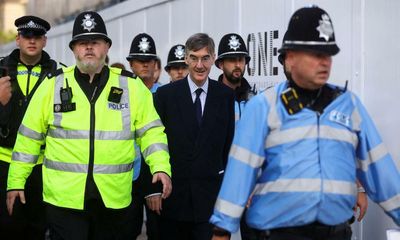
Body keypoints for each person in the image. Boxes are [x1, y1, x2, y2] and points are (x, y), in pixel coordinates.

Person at [210, 5, 400, 240]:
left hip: (336, 233)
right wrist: (221, 230)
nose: (325, 63)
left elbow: (381, 170)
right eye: (316, 54)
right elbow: (239, 173)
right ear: (290, 57)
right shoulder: (264, 106)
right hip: (278, 234)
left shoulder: (348, 105)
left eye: (328, 54)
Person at [6, 11, 172, 240]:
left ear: (107, 47)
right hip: (64, 201)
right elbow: (29, 138)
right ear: (73, 49)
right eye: (83, 43)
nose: (89, 48)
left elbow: (152, 132)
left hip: (113, 200)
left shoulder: (131, 87)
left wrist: (161, 167)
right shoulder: (52, 85)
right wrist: (15, 182)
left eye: (95, 42)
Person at [154, 33, 235, 240]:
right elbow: (154, 144)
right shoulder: (166, 96)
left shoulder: (225, 96)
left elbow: (228, 148)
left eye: (205, 58)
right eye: (194, 58)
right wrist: (152, 190)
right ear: (186, 59)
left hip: (209, 201)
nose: (200, 65)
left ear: (214, 59)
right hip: (172, 200)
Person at [0, 15, 56, 240]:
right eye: (26, 35)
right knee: (7, 226)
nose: (31, 40)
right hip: (5, 161)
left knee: (38, 227)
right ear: (17, 39)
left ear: (44, 41)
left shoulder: (57, 74)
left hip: (42, 165)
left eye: (37, 36)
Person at [215, 33, 266, 240]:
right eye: (231, 59)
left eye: (241, 59)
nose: (238, 64)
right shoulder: (209, 99)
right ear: (220, 64)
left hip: (252, 191)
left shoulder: (257, 100)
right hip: (219, 186)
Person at [126, 32, 163, 240]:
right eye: (140, 61)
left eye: (149, 60)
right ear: (131, 64)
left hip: (154, 177)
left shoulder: (166, 96)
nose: (145, 65)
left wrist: (154, 185)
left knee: (157, 232)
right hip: (125, 177)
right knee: (126, 232)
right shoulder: (119, 94)